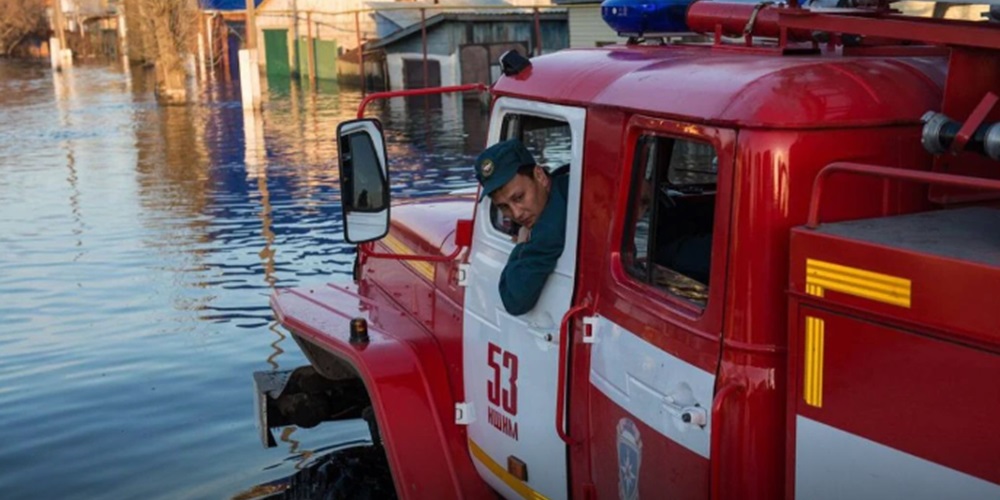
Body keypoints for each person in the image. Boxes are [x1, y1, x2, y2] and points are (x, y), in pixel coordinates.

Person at [474, 139, 569, 316]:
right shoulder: (566, 184)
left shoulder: (550, 229)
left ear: (540, 176)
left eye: (519, 198)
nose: (516, 214)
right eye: (503, 207)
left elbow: (514, 300)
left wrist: (521, 245)